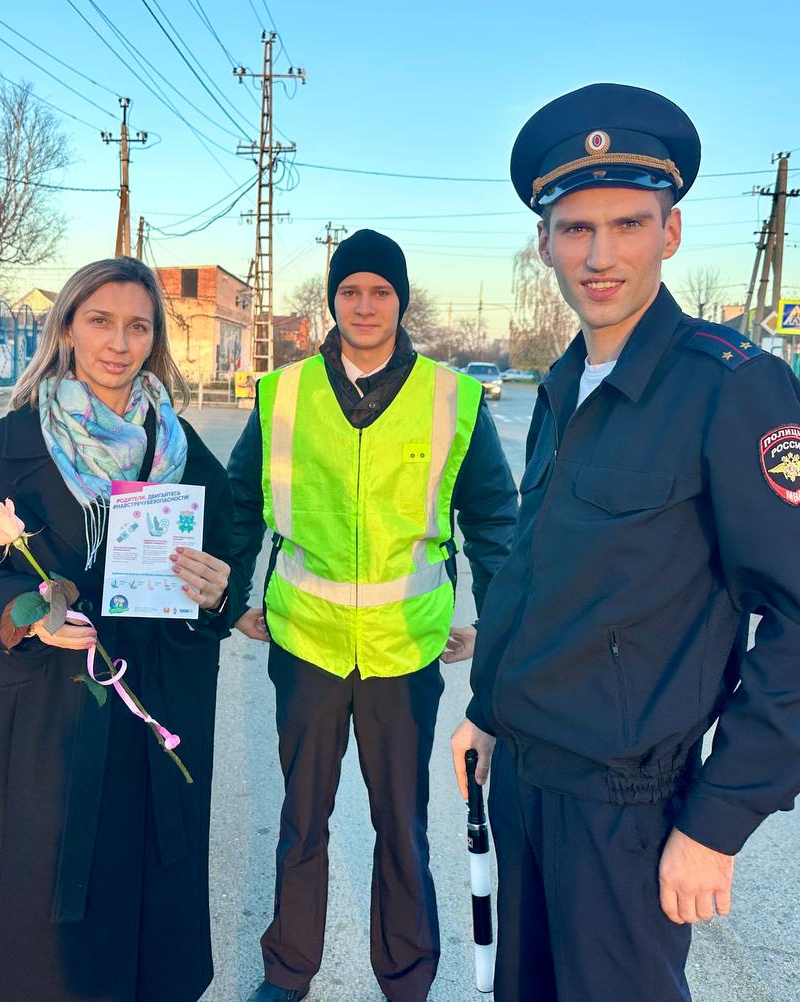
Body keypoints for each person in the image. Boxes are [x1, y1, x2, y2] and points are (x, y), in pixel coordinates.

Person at [451, 83, 800, 1002]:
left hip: (627, 808)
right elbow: (536, 578)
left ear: (670, 233)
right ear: (544, 241)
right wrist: (487, 708)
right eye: (576, 228)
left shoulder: (731, 388)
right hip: (527, 779)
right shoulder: (561, 386)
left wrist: (718, 821)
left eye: (628, 224)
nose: (600, 255)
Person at [0, 257, 234, 1002]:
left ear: (156, 337)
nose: (118, 343)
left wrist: (216, 594)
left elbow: (226, 574)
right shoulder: (9, 447)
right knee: (44, 936)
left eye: (138, 325)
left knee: (148, 921)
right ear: (67, 327)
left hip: (155, 712)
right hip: (49, 726)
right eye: (100, 321)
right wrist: (27, 614)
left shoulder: (186, 454)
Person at [227, 229, 519, 1002]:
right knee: (302, 821)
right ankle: (287, 975)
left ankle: (407, 978)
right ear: (332, 301)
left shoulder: (451, 398)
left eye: (380, 292)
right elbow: (236, 505)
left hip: (405, 649)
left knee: (402, 825)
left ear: (401, 301)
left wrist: (496, 628)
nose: (364, 305)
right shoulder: (283, 394)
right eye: (350, 291)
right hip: (309, 646)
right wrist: (232, 602)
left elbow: (495, 520)